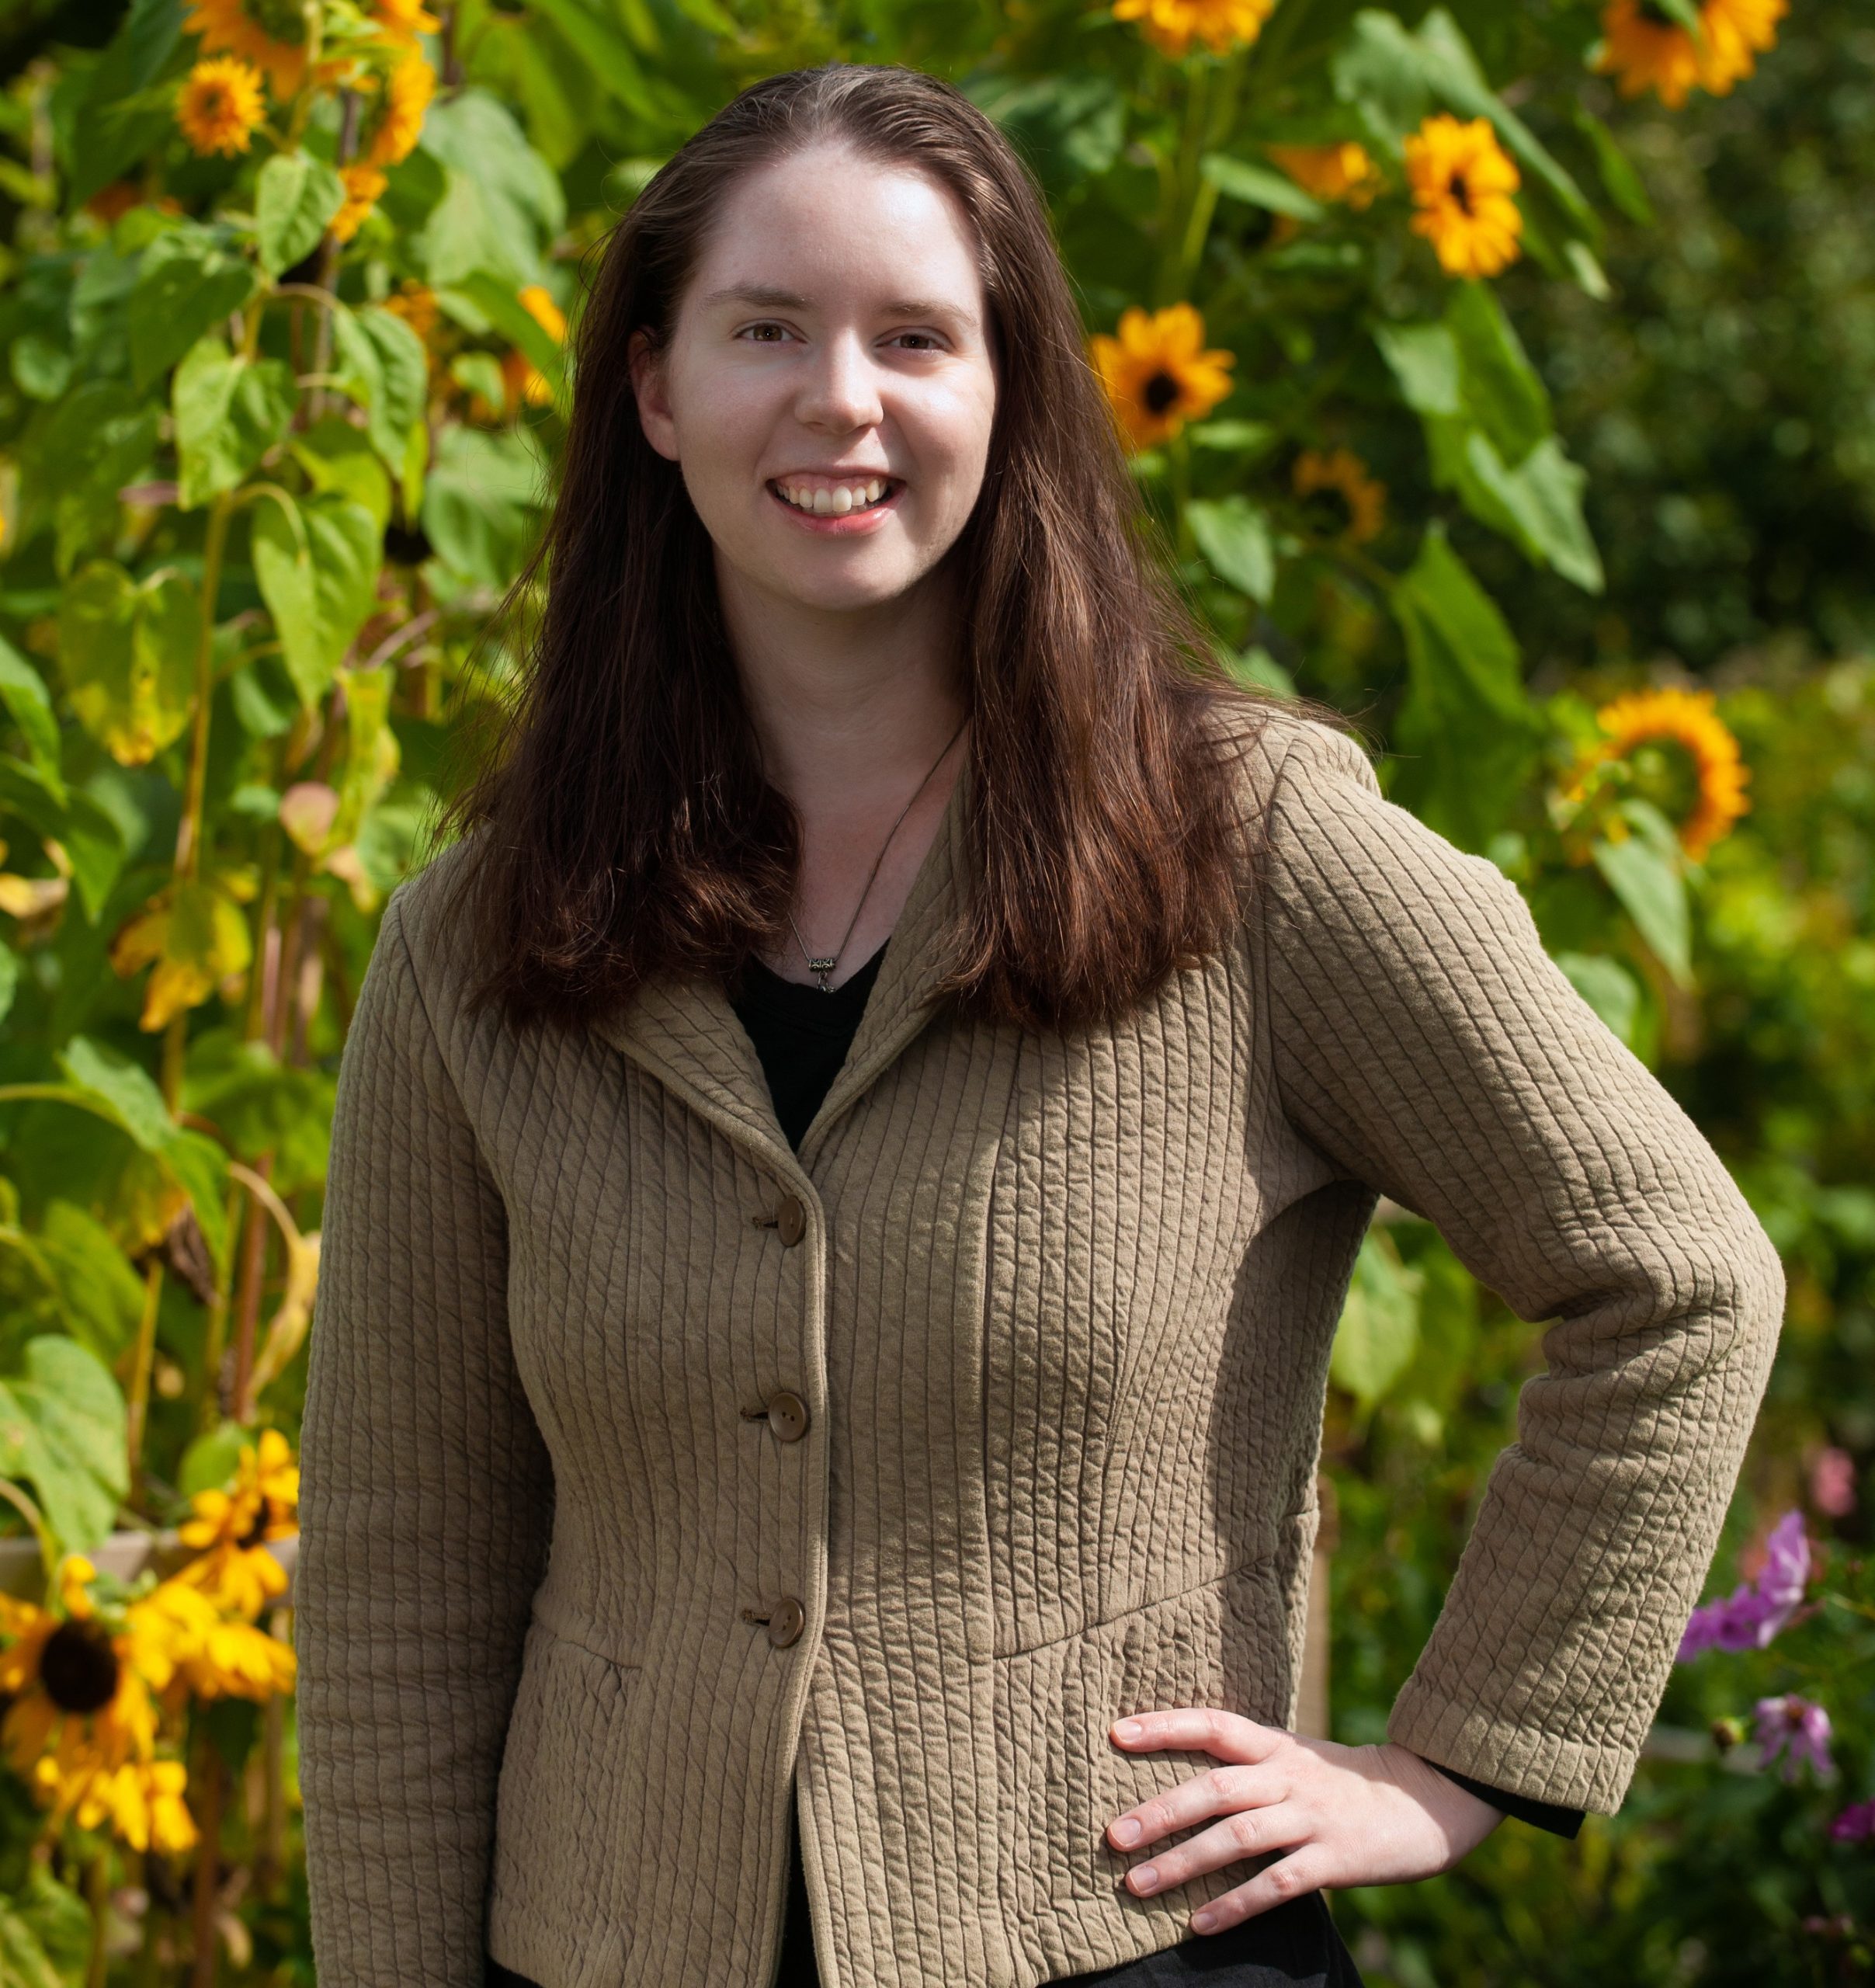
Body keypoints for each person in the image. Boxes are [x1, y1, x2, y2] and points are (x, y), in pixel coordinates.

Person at [293, 61, 1786, 1988]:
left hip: (1133, 1940)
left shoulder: (1247, 850)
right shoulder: (484, 939)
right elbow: (405, 1572)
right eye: (767, 331)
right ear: (655, 390)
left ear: (1007, 393)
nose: (842, 398)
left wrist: (1450, 1767)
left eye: (916, 336)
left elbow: (1671, 1273)